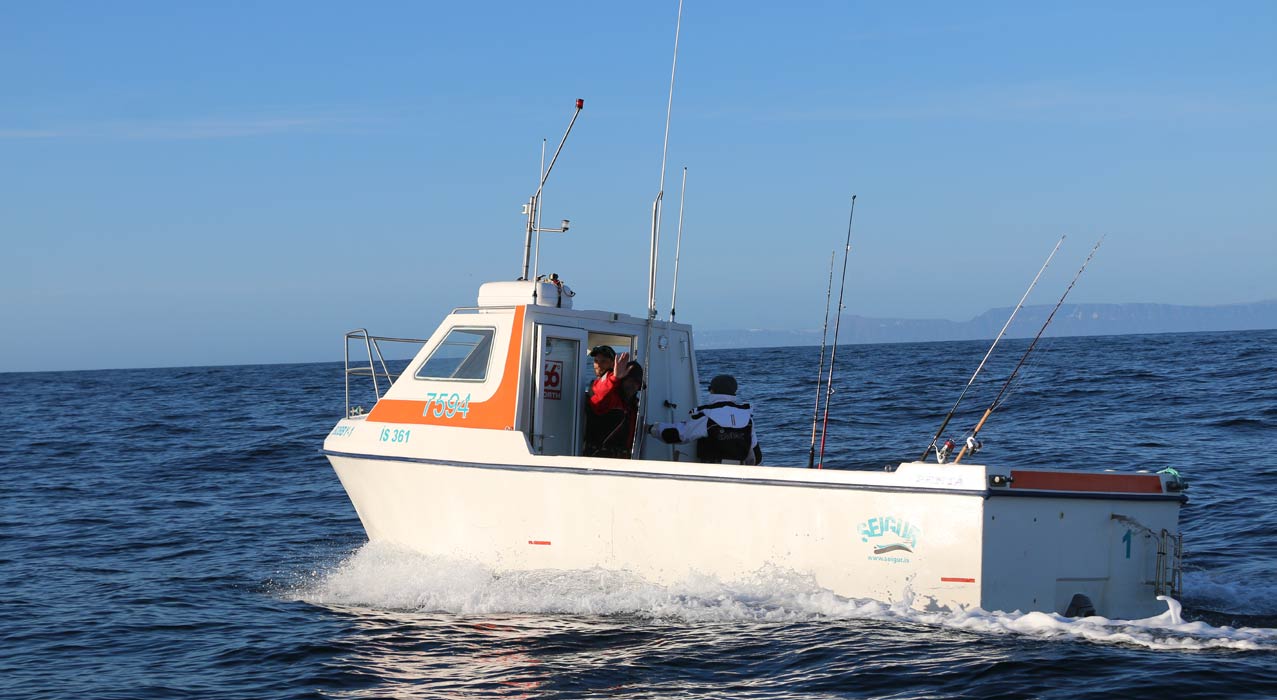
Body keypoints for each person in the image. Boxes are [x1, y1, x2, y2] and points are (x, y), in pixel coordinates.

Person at [649, 374, 763, 465]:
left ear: (712, 391)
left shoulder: (707, 416)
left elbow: (678, 434)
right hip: (739, 475)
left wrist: (652, 429)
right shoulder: (747, 417)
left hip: (713, 474)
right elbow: (756, 457)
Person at [584, 346, 643, 458]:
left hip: (621, 460)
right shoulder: (604, 391)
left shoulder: (633, 405)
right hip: (599, 459)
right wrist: (614, 378)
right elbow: (600, 394)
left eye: (636, 382)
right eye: (596, 361)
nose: (599, 365)